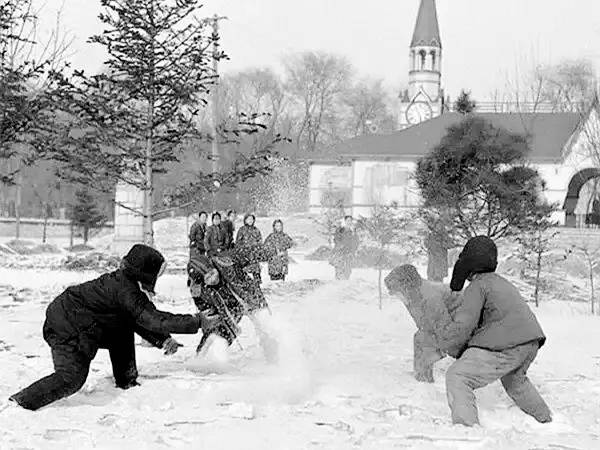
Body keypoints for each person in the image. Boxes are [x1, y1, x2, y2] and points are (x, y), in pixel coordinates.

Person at [8, 244, 211, 411]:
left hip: (76, 317)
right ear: (146, 272)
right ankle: (22, 402)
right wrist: (197, 321)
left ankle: (127, 381)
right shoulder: (126, 291)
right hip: (68, 326)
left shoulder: (125, 285)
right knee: (71, 378)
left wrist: (162, 339)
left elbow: (136, 318)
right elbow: (153, 319)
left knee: (122, 328)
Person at [436, 236, 552, 427]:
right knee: (515, 381)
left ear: (466, 265)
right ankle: (546, 420)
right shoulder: (500, 282)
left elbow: (463, 325)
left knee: (458, 376)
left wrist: (450, 347)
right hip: (529, 342)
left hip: (507, 344)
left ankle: (467, 430)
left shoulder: (477, 286)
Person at [187, 243, 278, 362]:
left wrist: (268, 251)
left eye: (212, 273)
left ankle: (276, 355)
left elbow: (248, 252)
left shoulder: (226, 261)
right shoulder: (200, 291)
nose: (214, 279)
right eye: (208, 279)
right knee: (219, 334)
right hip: (231, 308)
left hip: (250, 297)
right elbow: (207, 316)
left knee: (265, 325)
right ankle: (205, 357)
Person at [384, 264, 463, 383]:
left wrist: (444, 349)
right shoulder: (413, 296)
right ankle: (421, 375)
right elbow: (423, 324)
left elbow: (444, 328)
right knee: (421, 337)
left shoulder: (429, 297)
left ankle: (423, 379)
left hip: (465, 319)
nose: (395, 295)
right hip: (451, 320)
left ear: (406, 286)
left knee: (424, 339)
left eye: (396, 291)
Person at [235, 213, 263, 284]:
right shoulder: (242, 230)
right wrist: (241, 251)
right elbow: (238, 242)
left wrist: (258, 251)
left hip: (254, 255)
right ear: (245, 220)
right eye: (248, 219)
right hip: (245, 255)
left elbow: (260, 241)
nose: (250, 221)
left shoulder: (256, 230)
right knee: (243, 271)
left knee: (256, 272)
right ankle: (246, 285)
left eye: (252, 219)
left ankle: (257, 286)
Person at [330, 216, 359, 280]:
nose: (349, 222)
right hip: (340, 252)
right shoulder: (340, 230)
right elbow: (336, 239)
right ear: (345, 221)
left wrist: (354, 250)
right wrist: (340, 246)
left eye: (350, 221)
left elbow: (356, 242)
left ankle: (345, 282)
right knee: (339, 267)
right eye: (348, 220)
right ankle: (338, 282)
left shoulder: (353, 232)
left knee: (348, 269)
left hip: (349, 253)